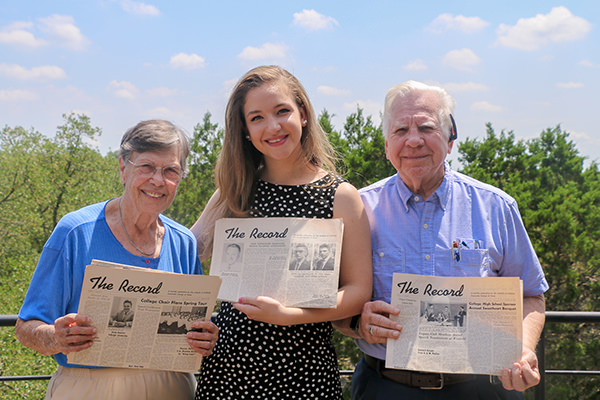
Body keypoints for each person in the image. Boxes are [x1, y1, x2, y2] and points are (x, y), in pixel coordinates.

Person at [334, 81, 549, 399]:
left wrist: (524, 348)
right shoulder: (357, 210)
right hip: (385, 386)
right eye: (400, 131)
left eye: (426, 127)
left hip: (482, 388)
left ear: (450, 140)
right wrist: (355, 323)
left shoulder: (496, 206)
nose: (413, 140)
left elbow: (532, 295)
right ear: (386, 146)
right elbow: (332, 301)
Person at [191, 65, 373, 399]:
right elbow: (187, 252)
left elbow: (359, 291)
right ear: (245, 130)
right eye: (256, 117)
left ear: (303, 114)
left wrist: (291, 316)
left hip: (306, 374)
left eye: (282, 111)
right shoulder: (234, 190)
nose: (272, 127)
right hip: (228, 373)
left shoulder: (341, 195)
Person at [15, 120, 219, 400]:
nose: (158, 181)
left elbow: (196, 329)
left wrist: (205, 339)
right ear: (123, 169)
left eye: (170, 170)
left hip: (173, 386)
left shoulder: (184, 242)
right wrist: (54, 337)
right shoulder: (75, 232)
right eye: (146, 167)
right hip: (88, 388)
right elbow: (26, 328)